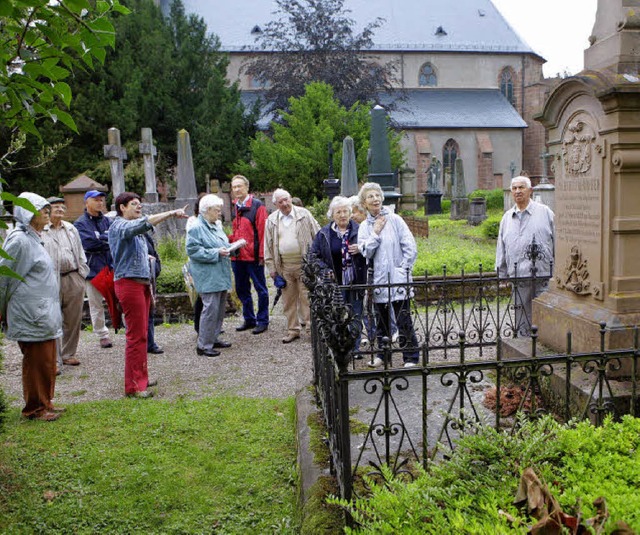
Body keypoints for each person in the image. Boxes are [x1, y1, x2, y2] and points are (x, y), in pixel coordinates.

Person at [108, 192, 188, 398]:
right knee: (135, 336)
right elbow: (142, 224)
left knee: (143, 334)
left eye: (139, 204)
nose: (138, 207)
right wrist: (170, 212)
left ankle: (140, 377)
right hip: (129, 284)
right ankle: (134, 386)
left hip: (141, 283)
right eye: (133, 204)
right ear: (122, 207)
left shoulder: (135, 230)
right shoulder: (120, 226)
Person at [0, 193, 64, 421]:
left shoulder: (34, 237)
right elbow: (4, 277)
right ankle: (34, 408)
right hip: (30, 313)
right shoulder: (19, 240)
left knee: (47, 360)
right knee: (36, 362)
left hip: (42, 312)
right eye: (41, 208)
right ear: (27, 212)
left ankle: (46, 402)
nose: (47, 212)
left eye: (47, 208)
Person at [357, 182, 419, 368]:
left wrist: (402, 269)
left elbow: (410, 247)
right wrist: (375, 232)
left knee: (403, 318)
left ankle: (410, 357)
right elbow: (366, 251)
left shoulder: (395, 220)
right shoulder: (363, 227)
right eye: (370, 197)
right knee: (381, 321)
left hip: (397, 277)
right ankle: (383, 356)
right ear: (364, 203)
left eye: (377, 195)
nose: (375, 199)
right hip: (378, 279)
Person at [496, 175, 555, 335]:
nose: (517, 191)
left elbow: (556, 241)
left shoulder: (546, 213)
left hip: (544, 275)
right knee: (522, 316)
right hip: (519, 276)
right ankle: (524, 343)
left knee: (546, 313)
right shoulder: (507, 218)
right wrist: (501, 274)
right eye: (514, 188)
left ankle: (547, 343)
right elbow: (501, 248)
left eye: (521, 187)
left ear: (530, 190)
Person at [310, 196, 366, 351]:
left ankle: (354, 349)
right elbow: (313, 256)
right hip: (335, 284)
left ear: (350, 213)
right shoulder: (324, 233)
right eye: (338, 212)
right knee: (337, 316)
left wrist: (361, 249)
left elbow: (371, 251)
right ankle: (341, 348)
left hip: (355, 281)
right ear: (332, 215)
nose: (342, 215)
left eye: (345, 211)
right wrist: (325, 270)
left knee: (355, 315)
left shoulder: (360, 230)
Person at [264, 188, 320, 344]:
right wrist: (272, 270)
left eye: (286, 199)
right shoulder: (272, 220)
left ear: (290, 199)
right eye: (280, 202)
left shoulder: (304, 214)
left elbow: (318, 235)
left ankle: (310, 329)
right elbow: (267, 246)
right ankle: (293, 330)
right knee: (288, 300)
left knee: (306, 298)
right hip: (284, 266)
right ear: (275, 204)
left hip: (305, 264)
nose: (284, 204)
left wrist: (318, 259)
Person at [42, 197, 90, 370]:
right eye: (56, 207)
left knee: (73, 318)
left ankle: (68, 353)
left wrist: (81, 274)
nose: (60, 210)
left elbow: (80, 251)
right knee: (52, 319)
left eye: (62, 207)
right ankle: (53, 359)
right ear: (47, 210)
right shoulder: (42, 230)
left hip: (73, 277)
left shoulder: (70, 228)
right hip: (50, 279)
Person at [186, 194, 233, 357]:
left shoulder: (215, 225)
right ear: (206, 210)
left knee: (219, 309)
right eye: (216, 210)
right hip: (208, 275)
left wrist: (233, 247)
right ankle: (203, 345)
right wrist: (216, 252)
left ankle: (213, 338)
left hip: (219, 273)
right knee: (210, 309)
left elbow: (222, 244)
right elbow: (192, 251)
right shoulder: (196, 227)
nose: (219, 213)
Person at [229, 175, 269, 335]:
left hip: (253, 256)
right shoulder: (234, 207)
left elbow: (263, 232)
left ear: (247, 186)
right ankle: (249, 318)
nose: (237, 189)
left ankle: (263, 320)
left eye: (239, 186)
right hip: (237, 256)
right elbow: (235, 232)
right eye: (234, 187)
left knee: (261, 289)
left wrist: (262, 255)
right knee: (241, 289)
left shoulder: (257, 206)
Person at [74, 190, 114, 349]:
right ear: (87, 202)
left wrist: (102, 239)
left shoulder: (108, 221)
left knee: (119, 299)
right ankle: (102, 334)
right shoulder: (80, 223)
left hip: (110, 265)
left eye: (102, 200)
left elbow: (114, 238)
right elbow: (89, 243)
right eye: (96, 200)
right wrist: (106, 239)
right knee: (96, 303)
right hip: (92, 268)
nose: (100, 202)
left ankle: (126, 328)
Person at [144, 231, 164, 354]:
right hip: (137, 278)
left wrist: (156, 266)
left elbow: (154, 253)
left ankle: (150, 343)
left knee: (150, 310)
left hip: (150, 276)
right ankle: (143, 343)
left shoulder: (145, 234)